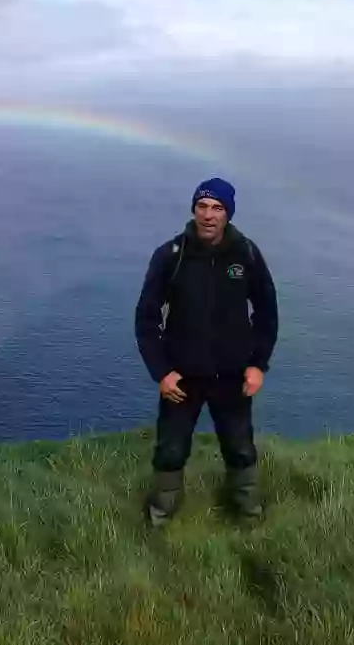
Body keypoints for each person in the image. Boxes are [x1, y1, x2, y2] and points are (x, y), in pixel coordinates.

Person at [134, 177, 278, 525]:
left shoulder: (246, 254)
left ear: (228, 213)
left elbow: (267, 312)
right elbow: (146, 317)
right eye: (202, 206)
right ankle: (160, 518)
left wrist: (258, 365)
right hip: (181, 378)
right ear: (194, 209)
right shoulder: (171, 256)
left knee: (240, 447)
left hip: (232, 376)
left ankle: (249, 516)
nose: (209, 214)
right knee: (170, 449)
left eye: (217, 208)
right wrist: (162, 372)